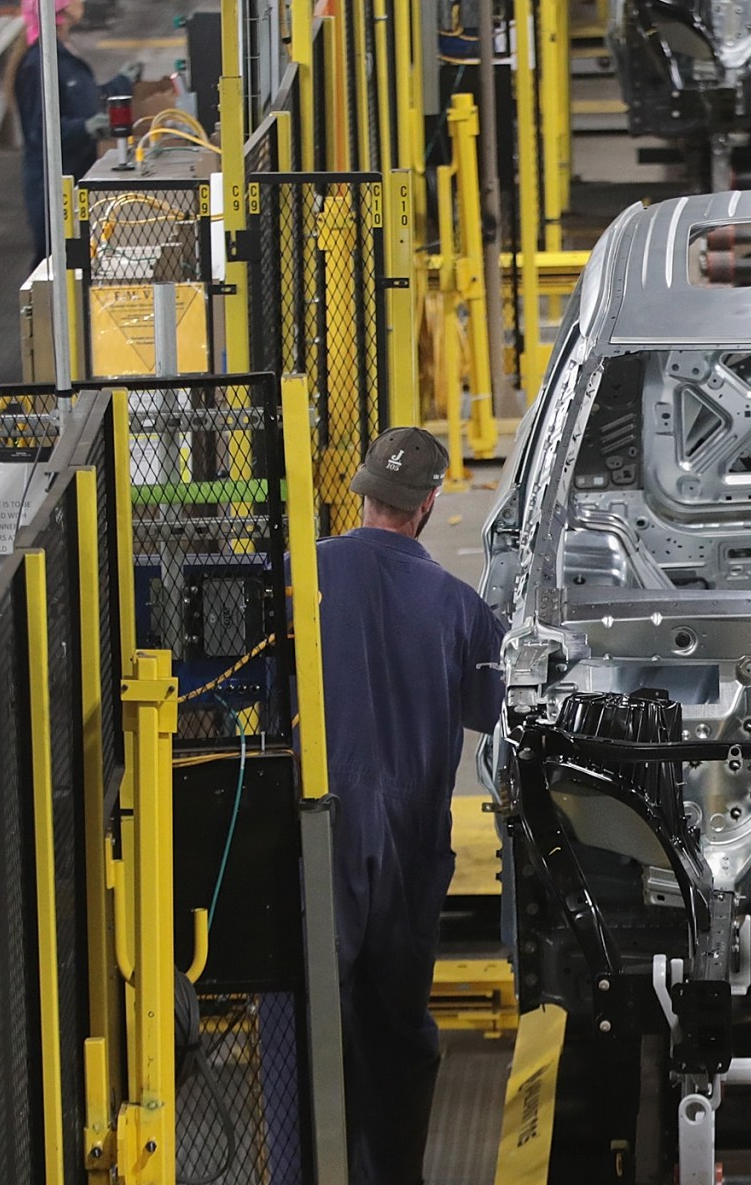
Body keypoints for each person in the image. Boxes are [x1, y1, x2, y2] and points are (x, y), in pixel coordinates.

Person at [317, 427, 504, 1184]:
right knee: (395, 1026)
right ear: (430, 505)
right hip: (410, 835)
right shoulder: (460, 607)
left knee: (316, 1017)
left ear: (361, 492)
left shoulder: (307, 577)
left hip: (320, 826)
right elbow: (496, 713)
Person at [14, 0, 112, 263]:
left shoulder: (61, 51)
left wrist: (121, 84)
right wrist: (86, 128)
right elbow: (40, 131)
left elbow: (79, 99)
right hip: (53, 188)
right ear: (63, 6)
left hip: (74, 177)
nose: (83, 1)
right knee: (54, 264)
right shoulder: (39, 62)